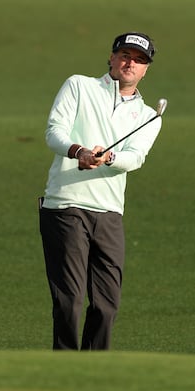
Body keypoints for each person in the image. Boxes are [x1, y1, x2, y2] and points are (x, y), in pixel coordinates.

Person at [38, 32, 162, 351]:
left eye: (139, 59)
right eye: (124, 54)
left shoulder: (149, 116)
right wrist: (79, 152)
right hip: (65, 206)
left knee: (107, 306)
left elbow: (135, 158)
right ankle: (65, 371)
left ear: (146, 68)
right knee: (70, 300)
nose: (130, 62)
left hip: (109, 213)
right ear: (111, 57)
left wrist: (108, 157)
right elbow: (54, 132)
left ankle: (94, 373)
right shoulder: (79, 85)